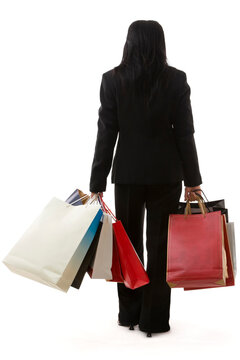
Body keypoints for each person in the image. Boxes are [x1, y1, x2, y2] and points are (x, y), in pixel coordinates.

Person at [89, 20, 203, 337]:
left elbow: (106, 133)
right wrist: (193, 179)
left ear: (130, 42)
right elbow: (185, 133)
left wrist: (97, 181)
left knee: (129, 245)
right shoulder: (176, 80)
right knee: (161, 246)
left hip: (126, 174)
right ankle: (154, 320)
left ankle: (129, 314)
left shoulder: (112, 80)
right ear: (160, 43)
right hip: (166, 175)